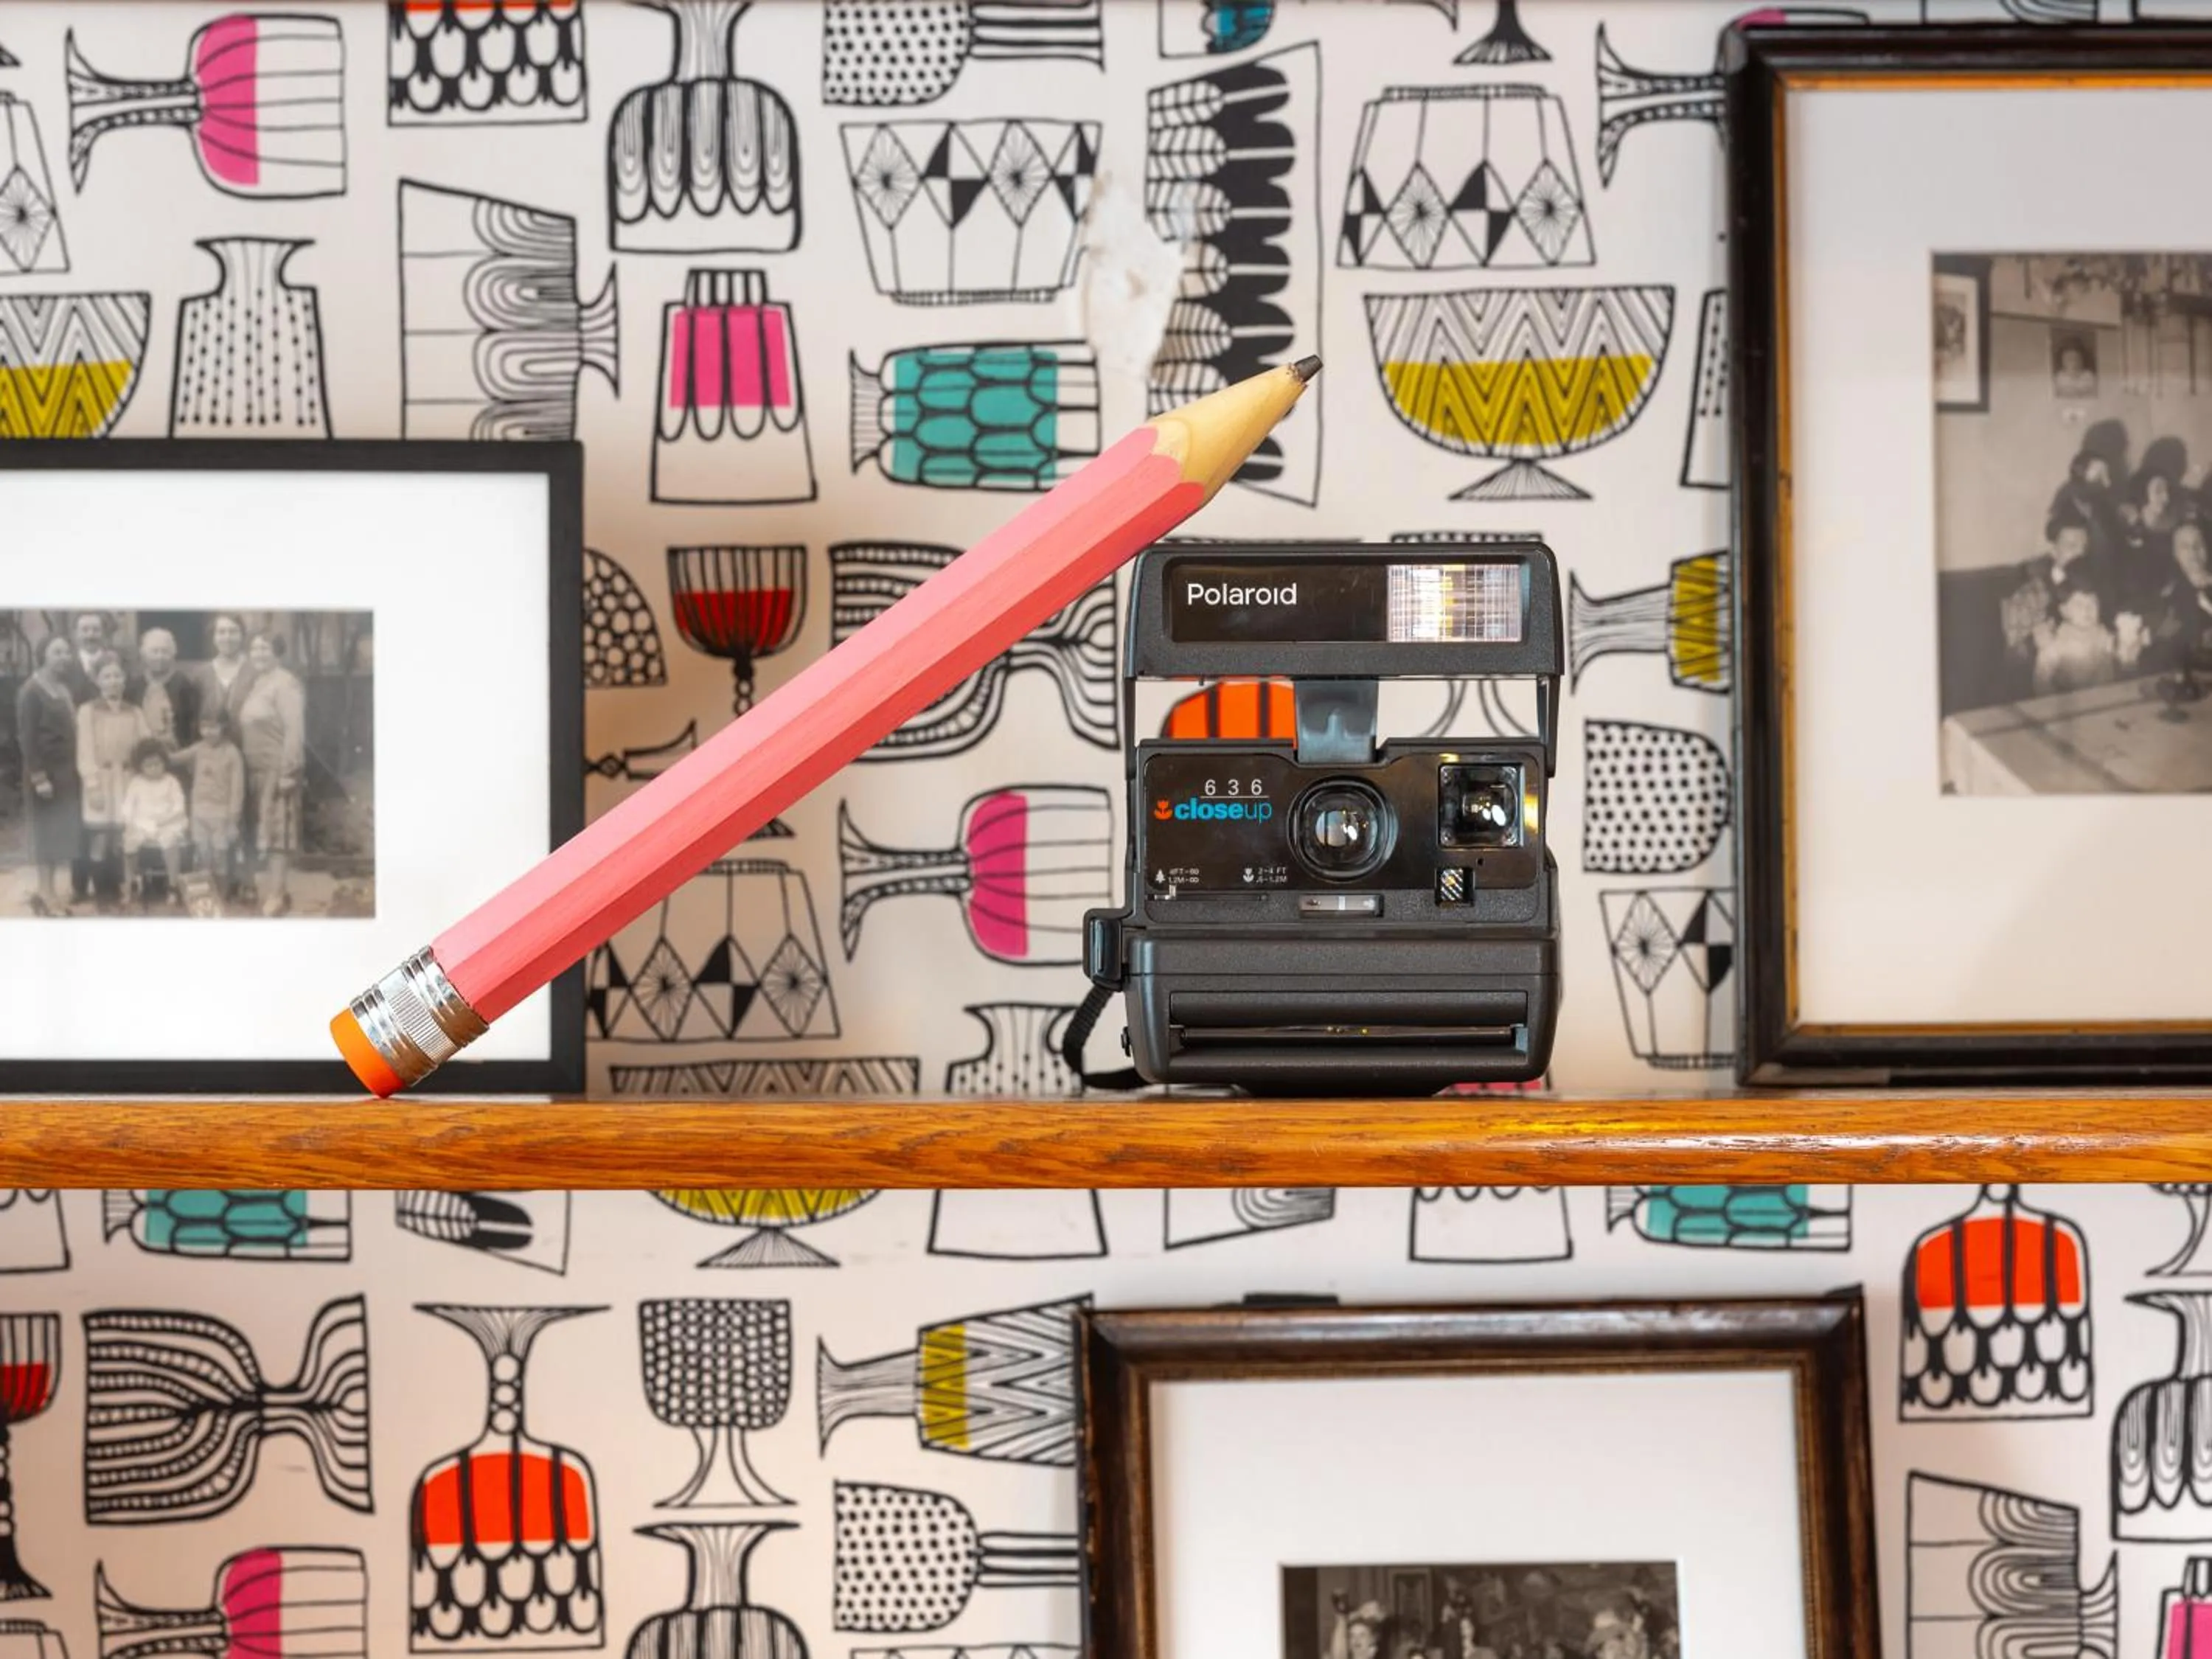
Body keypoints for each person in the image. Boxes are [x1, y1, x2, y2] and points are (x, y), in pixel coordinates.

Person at [237, 630, 305, 917]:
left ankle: (277, 894)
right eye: (254, 650)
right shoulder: (258, 682)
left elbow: (294, 730)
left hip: (277, 770)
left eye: (265, 649)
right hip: (254, 768)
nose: (258, 655)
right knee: (259, 829)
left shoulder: (285, 684)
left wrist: (289, 771)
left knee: (279, 833)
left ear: (278, 652)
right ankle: (262, 888)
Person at [74, 652, 150, 909]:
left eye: (118, 675)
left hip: (128, 780)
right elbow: (84, 750)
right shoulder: (88, 711)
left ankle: (122, 888)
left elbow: (146, 746)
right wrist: (92, 784)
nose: (113, 681)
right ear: (97, 681)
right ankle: (102, 893)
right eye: (107, 676)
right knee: (100, 838)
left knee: (122, 836)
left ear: (125, 679)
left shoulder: (135, 712)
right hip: (100, 779)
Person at [13, 635, 82, 914]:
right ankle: (45, 893)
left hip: (66, 772)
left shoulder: (63, 688)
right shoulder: (32, 690)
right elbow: (26, 738)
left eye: (67, 652)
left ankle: (51, 891)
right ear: (44, 655)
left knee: (58, 834)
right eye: (57, 652)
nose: (63, 657)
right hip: (45, 773)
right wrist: (39, 776)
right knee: (44, 834)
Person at [177, 709, 246, 904]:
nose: (209, 732)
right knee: (202, 854)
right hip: (199, 812)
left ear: (223, 727)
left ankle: (222, 894)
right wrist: (158, 746)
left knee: (220, 855)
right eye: (204, 727)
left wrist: (233, 821)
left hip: (222, 814)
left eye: (214, 727)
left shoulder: (232, 753)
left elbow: (237, 790)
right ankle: (205, 896)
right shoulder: (198, 749)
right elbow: (176, 758)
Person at [2031, 585, 2146, 695]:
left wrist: (2129, 651)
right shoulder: (2055, 642)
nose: (2087, 610)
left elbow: (2123, 664)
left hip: (2108, 697)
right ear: (2064, 610)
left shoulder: (2104, 633)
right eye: (2079, 605)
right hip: (2073, 705)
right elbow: (2041, 681)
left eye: (2093, 603)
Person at [116, 737, 188, 908]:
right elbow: (127, 806)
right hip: (142, 822)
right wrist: (130, 822)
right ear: (140, 767)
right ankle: (130, 883)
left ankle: (172, 885)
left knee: (170, 840)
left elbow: (179, 806)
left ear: (164, 762)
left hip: (167, 822)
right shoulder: (136, 783)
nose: (154, 769)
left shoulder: (171, 782)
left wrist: (164, 820)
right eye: (148, 765)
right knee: (130, 842)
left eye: (157, 764)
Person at [135, 627, 199, 751]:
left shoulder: (184, 685)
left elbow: (192, 726)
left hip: (177, 752)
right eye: (155, 651)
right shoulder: (135, 685)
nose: (160, 657)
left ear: (173, 654)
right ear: (144, 654)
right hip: (141, 751)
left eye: (165, 652)